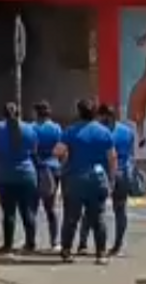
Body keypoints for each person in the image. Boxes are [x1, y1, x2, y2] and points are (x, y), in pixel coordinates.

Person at [56, 98, 116, 264]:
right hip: (97, 179)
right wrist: (111, 180)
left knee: (71, 218)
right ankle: (101, 254)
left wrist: (67, 156)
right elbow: (112, 158)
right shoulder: (104, 132)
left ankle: (67, 251)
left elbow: (58, 151)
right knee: (98, 218)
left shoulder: (70, 131)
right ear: (95, 112)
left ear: (79, 111)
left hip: (75, 179)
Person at [77, 104, 133, 257]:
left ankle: (83, 243)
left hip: (103, 174)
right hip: (124, 173)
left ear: (102, 116)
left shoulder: (100, 133)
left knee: (91, 209)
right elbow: (129, 153)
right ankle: (117, 246)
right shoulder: (127, 131)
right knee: (120, 210)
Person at [0, 102, 39, 253]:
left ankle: (7, 245)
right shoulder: (29, 129)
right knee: (28, 211)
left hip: (4, 174)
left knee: (8, 213)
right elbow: (34, 149)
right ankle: (30, 243)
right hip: (26, 174)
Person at [32, 100, 64, 250]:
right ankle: (55, 241)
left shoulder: (32, 128)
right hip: (54, 168)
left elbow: (31, 149)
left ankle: (30, 241)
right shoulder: (57, 128)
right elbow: (61, 149)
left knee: (32, 207)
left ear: (36, 113)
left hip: (37, 169)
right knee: (50, 208)